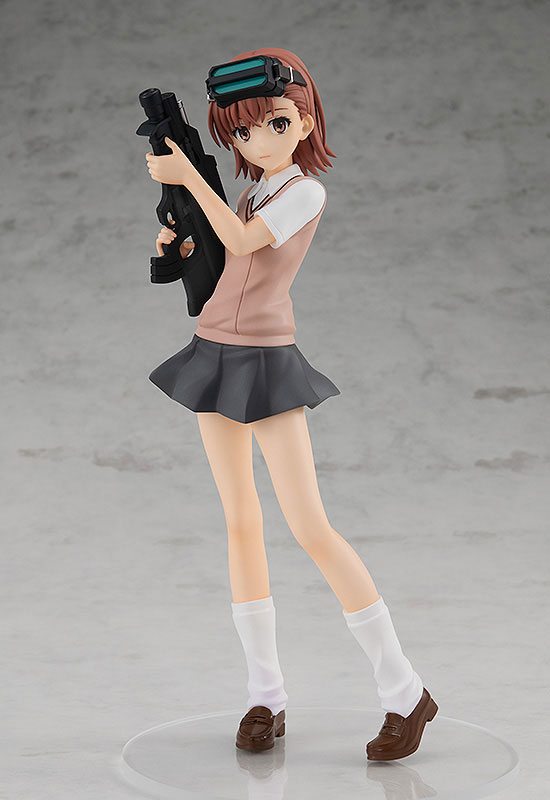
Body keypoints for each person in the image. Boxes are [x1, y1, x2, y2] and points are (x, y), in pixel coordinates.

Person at [145, 47, 438, 760]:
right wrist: (179, 244)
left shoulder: (304, 193)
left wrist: (190, 179)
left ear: (304, 121)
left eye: (274, 123)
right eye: (241, 131)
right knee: (240, 522)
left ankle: (405, 690)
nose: (257, 140)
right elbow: (228, 257)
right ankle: (264, 694)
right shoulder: (254, 192)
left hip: (266, 362)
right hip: (213, 351)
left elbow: (245, 241)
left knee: (310, 525)